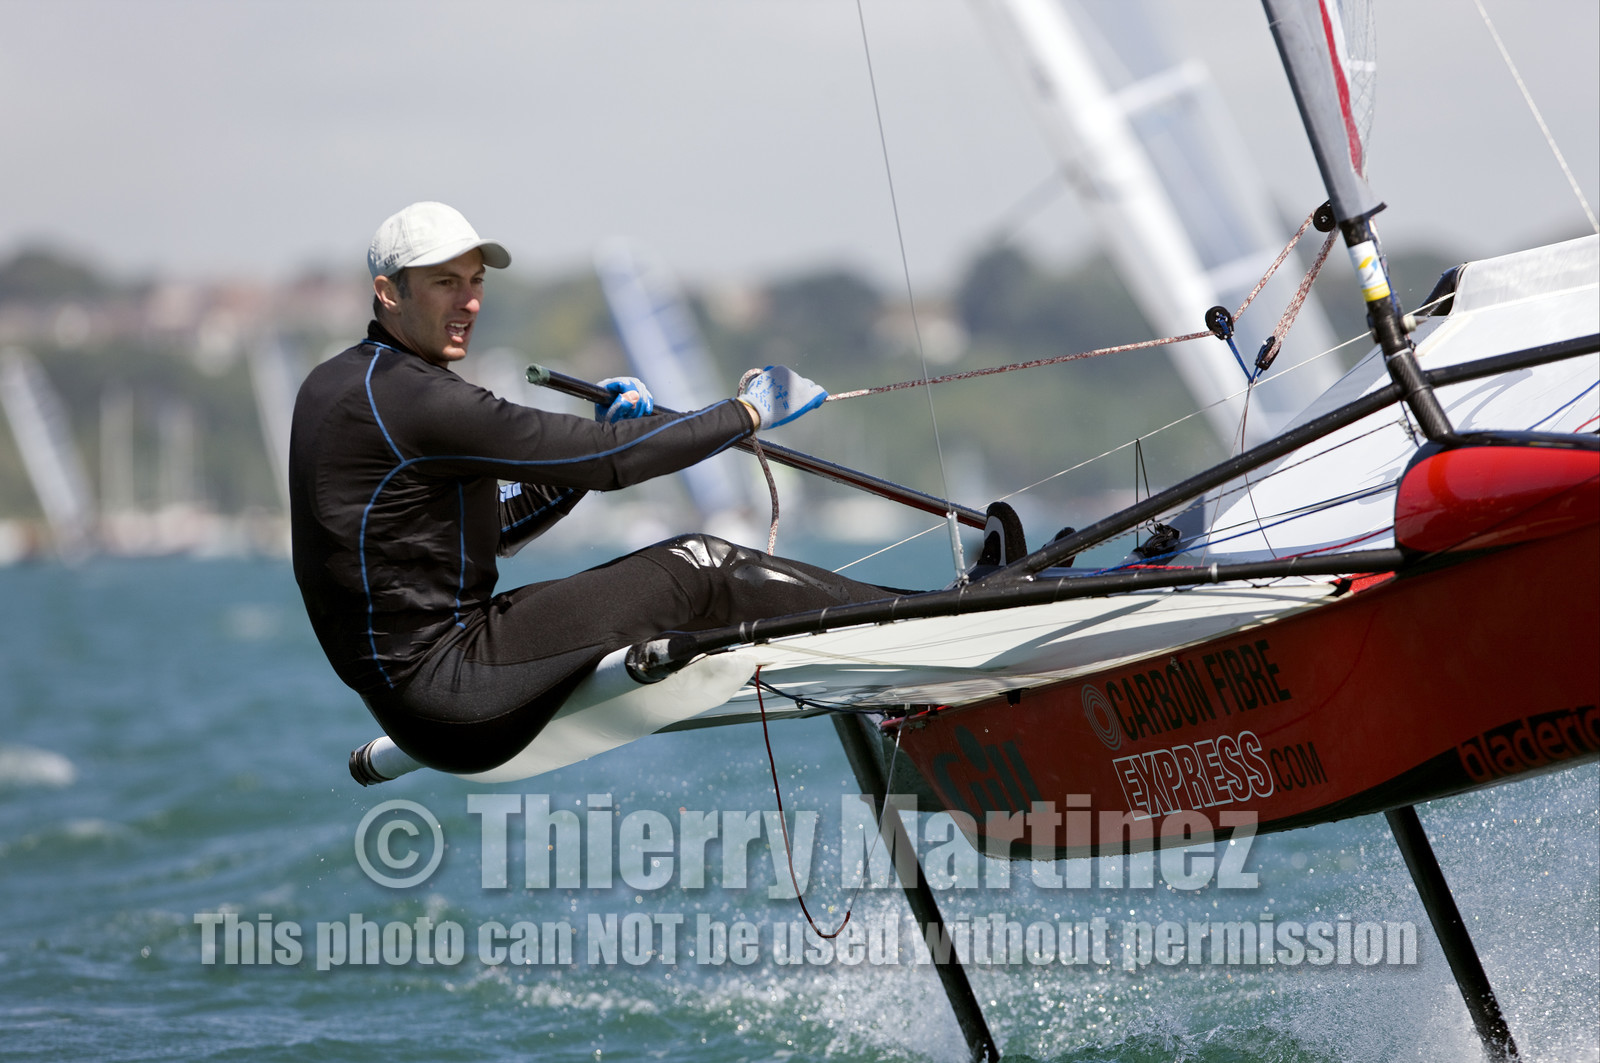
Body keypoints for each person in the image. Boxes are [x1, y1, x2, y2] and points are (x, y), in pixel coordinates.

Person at [290, 202, 895, 775]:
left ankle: (892, 639)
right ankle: (917, 621)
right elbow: (613, 463)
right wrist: (747, 412)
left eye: (475, 281)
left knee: (671, 579)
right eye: (445, 283)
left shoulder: (338, 384)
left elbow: (492, 530)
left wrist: (600, 444)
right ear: (389, 292)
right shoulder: (416, 398)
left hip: (424, 701)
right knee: (700, 567)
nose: (470, 302)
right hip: (454, 691)